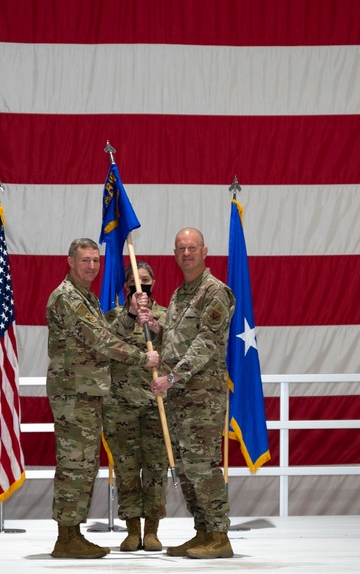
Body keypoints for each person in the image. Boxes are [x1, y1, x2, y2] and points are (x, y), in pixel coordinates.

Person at [46, 238, 160, 559]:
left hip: (87, 393)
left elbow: (108, 332)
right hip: (74, 393)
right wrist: (142, 358)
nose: (92, 266)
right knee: (74, 465)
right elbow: (101, 341)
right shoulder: (68, 298)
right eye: (85, 260)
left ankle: (72, 533)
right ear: (70, 261)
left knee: (83, 465)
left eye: (95, 260)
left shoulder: (87, 297)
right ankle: (66, 537)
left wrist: (129, 311)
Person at [147, 227, 236, 559]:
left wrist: (172, 377)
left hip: (202, 395)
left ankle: (219, 535)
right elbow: (175, 336)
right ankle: (202, 532)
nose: (186, 253)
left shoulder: (215, 292)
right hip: (180, 398)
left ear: (204, 251)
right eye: (181, 248)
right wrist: (157, 326)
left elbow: (206, 343)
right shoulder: (181, 294)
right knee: (185, 468)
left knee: (202, 466)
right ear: (175, 254)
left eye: (192, 248)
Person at [103, 261, 169, 552]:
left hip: (156, 405)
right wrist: (131, 314)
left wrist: (154, 323)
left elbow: (175, 347)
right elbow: (105, 344)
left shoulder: (166, 315)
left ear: (153, 283)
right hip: (121, 406)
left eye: (145, 280)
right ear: (126, 286)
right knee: (128, 471)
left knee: (155, 470)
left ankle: (152, 530)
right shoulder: (114, 316)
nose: (139, 285)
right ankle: (131, 530)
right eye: (134, 280)